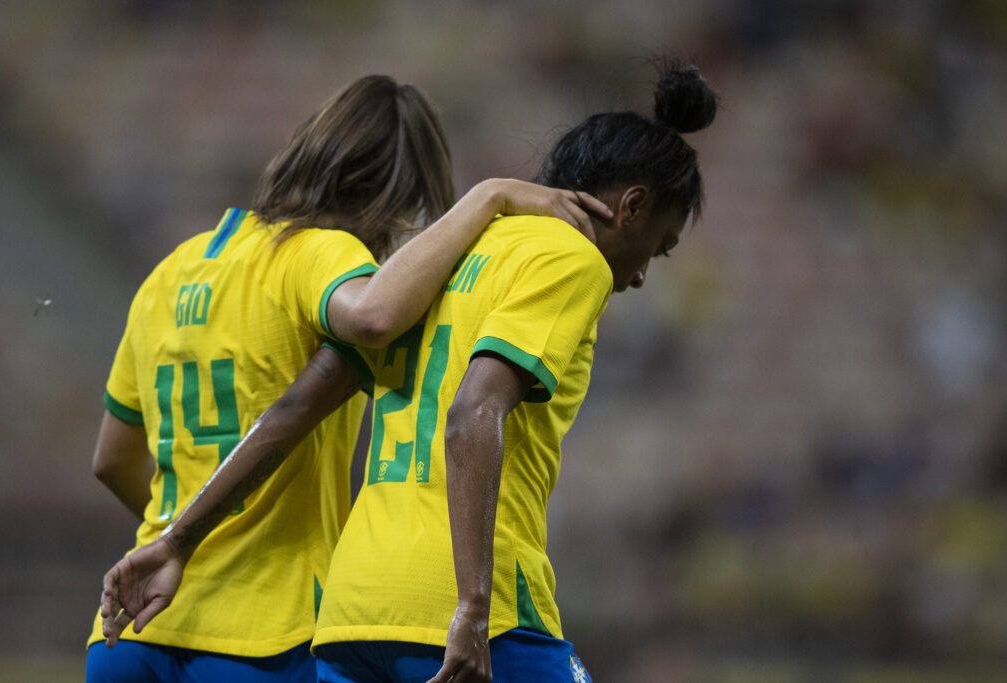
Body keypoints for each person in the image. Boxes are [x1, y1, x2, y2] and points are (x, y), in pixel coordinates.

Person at [100, 61, 718, 683]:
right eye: (659, 248)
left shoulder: (436, 260)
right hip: (470, 604)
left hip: (351, 614)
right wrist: (471, 609)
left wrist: (179, 540)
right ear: (632, 206)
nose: (640, 275)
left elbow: (291, 409)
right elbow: (470, 412)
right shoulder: (569, 259)